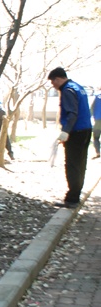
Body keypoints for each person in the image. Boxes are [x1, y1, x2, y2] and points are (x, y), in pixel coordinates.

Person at [47, 67, 92, 208]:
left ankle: (72, 199)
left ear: (58, 79)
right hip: (85, 129)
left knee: (72, 164)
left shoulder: (67, 90)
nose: (53, 86)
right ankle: (75, 194)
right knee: (80, 163)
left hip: (75, 131)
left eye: (53, 83)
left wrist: (66, 131)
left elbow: (72, 113)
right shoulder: (78, 87)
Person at [90, 89, 101, 159]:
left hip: (98, 120)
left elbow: (92, 108)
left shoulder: (97, 96)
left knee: (96, 137)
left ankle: (98, 153)